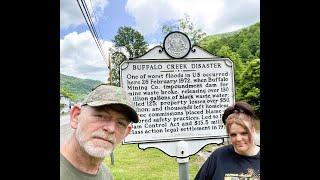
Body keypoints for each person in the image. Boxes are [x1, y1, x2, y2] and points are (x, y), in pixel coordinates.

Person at [60, 84, 139, 180]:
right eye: (100, 116)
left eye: (121, 123)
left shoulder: (106, 175)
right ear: (76, 117)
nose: (111, 129)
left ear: (126, 133)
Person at [195, 101, 260, 180]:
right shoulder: (218, 156)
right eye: (233, 134)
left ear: (253, 130)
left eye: (244, 133)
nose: (238, 139)